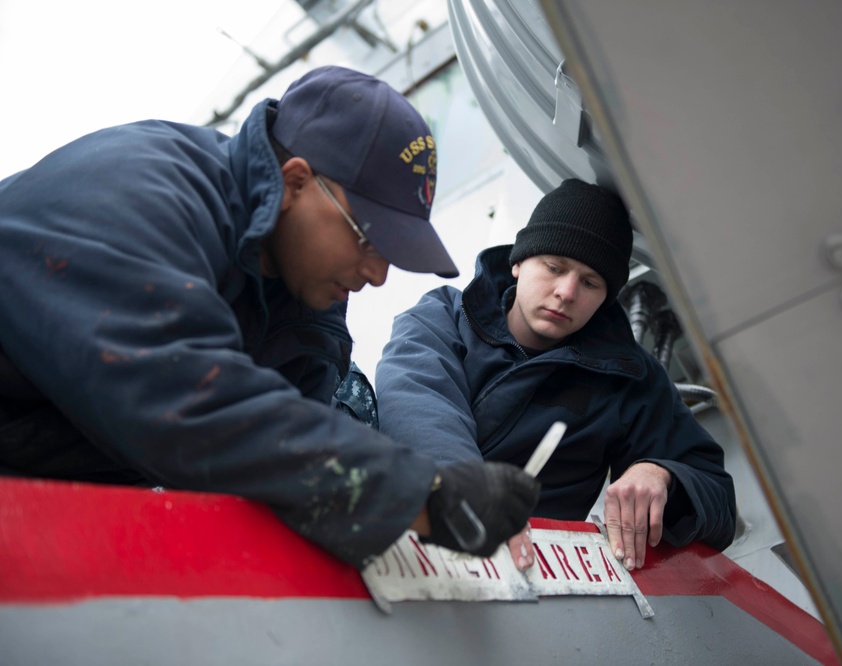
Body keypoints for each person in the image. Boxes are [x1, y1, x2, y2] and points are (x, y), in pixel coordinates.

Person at [0, 65, 539, 568]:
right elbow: (187, 402)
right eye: (368, 239)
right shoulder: (139, 193)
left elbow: (285, 471)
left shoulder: (308, 313)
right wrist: (423, 496)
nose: (378, 275)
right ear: (296, 182)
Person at [375, 178, 736, 571]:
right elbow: (417, 403)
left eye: (590, 282)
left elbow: (718, 502)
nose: (566, 291)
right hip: (403, 547)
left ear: (604, 299)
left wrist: (664, 475)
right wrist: (473, 495)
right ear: (518, 262)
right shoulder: (439, 318)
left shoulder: (630, 380)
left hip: (537, 583)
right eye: (554, 267)